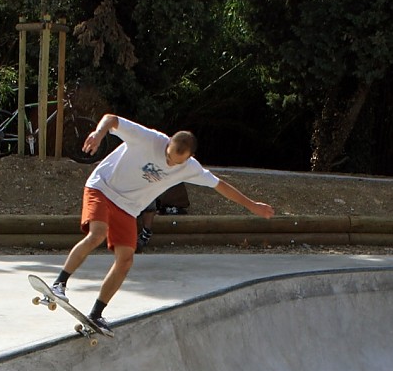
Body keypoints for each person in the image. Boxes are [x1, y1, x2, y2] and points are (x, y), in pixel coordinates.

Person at [50, 114, 274, 332]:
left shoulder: (191, 167)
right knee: (98, 233)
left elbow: (220, 185)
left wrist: (252, 205)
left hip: (128, 207)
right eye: (168, 156)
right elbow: (111, 119)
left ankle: (96, 314)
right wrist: (98, 134)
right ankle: (59, 284)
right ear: (168, 144)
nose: (169, 163)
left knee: (126, 259)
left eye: (175, 162)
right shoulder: (149, 138)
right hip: (103, 187)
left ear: (188, 158)